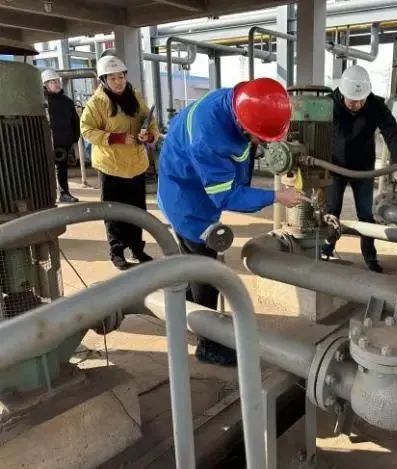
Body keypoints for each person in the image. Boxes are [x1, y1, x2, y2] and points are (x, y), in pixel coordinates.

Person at [157, 78, 305, 366]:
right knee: (206, 270)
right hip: (187, 202)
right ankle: (208, 344)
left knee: (188, 262)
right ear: (243, 124)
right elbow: (226, 196)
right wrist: (277, 196)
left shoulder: (238, 101)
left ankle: (184, 310)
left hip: (187, 185)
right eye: (260, 137)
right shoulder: (208, 137)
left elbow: (243, 150)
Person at [321, 65, 397, 273]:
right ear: (342, 93)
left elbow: (393, 132)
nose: (358, 104)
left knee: (366, 215)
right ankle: (326, 250)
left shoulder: (375, 105)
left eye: (362, 100)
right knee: (332, 211)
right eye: (353, 101)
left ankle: (370, 258)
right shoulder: (327, 105)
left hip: (363, 169)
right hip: (334, 167)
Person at [80, 56, 159, 270]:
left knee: (137, 210)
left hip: (136, 165)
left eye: (121, 77)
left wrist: (148, 135)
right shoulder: (97, 103)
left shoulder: (135, 96)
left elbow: (150, 121)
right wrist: (116, 138)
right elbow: (87, 130)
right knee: (113, 211)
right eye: (112, 78)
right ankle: (117, 252)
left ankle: (137, 248)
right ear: (104, 80)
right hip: (111, 166)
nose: (118, 81)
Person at [42, 69, 80, 203]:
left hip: (63, 142)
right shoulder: (41, 102)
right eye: (53, 82)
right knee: (44, 170)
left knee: (62, 169)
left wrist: (74, 139)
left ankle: (64, 193)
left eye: (58, 81)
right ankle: (45, 197)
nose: (57, 84)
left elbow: (75, 121)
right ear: (46, 85)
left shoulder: (67, 101)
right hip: (44, 144)